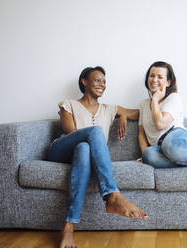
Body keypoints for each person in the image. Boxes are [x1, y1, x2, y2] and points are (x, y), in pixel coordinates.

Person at [48, 66, 147, 248]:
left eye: (104, 82)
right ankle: (112, 195)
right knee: (90, 135)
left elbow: (140, 113)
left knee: (84, 149)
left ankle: (68, 228)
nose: (102, 84)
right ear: (84, 82)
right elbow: (70, 133)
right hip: (60, 151)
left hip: (81, 155)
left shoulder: (109, 109)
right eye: (97, 80)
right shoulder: (68, 104)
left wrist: (123, 114)